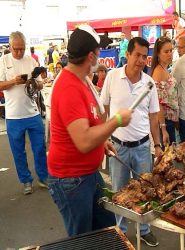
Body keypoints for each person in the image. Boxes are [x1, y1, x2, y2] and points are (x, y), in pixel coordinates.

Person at [47, 25, 132, 237]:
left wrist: (102, 141)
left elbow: (89, 123)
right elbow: (83, 140)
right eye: (99, 50)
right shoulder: (68, 87)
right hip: (71, 179)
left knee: (106, 230)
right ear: (91, 55)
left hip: (89, 175)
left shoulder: (83, 79)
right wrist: (117, 121)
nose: (101, 54)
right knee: (81, 239)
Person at [100, 37, 161, 247]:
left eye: (145, 56)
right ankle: (121, 232)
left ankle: (144, 229)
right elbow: (103, 109)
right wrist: (104, 137)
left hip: (143, 147)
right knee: (119, 192)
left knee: (144, 190)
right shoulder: (112, 77)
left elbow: (154, 117)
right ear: (128, 54)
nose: (141, 60)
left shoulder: (149, 83)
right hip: (118, 146)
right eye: (137, 55)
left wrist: (158, 145)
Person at [0, 31, 48, 195]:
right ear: (10, 46)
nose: (19, 52)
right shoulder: (3, 61)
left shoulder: (31, 60)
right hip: (13, 115)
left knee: (40, 147)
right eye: (16, 49)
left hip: (32, 112)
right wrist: (14, 81)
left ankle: (43, 177)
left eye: (22, 48)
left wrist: (34, 82)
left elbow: (41, 85)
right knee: (18, 152)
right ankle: (26, 181)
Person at [151, 36, 178, 145]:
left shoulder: (164, 69)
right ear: (158, 53)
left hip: (170, 121)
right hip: (165, 122)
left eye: (171, 50)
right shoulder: (158, 72)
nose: (169, 54)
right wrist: (163, 128)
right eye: (166, 51)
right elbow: (158, 103)